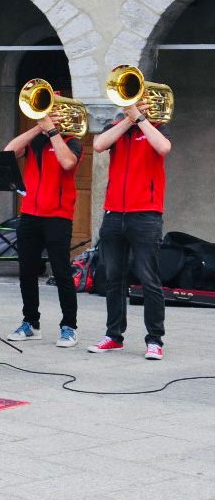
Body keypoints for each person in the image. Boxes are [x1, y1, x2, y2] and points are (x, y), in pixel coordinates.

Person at [88, 97, 171, 359]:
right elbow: (98, 145)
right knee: (113, 277)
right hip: (114, 213)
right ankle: (114, 336)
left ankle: (155, 339)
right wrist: (127, 119)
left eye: (139, 101)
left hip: (146, 215)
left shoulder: (157, 127)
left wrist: (140, 118)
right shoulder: (117, 128)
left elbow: (164, 147)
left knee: (149, 278)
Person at [4, 108, 83, 347]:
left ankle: (69, 326)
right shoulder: (36, 140)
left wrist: (53, 132)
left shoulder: (72, 142)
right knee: (27, 271)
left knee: (61, 272)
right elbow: (8, 152)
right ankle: (31, 322)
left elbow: (67, 163)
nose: (49, 117)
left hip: (58, 216)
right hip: (29, 213)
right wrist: (39, 128)